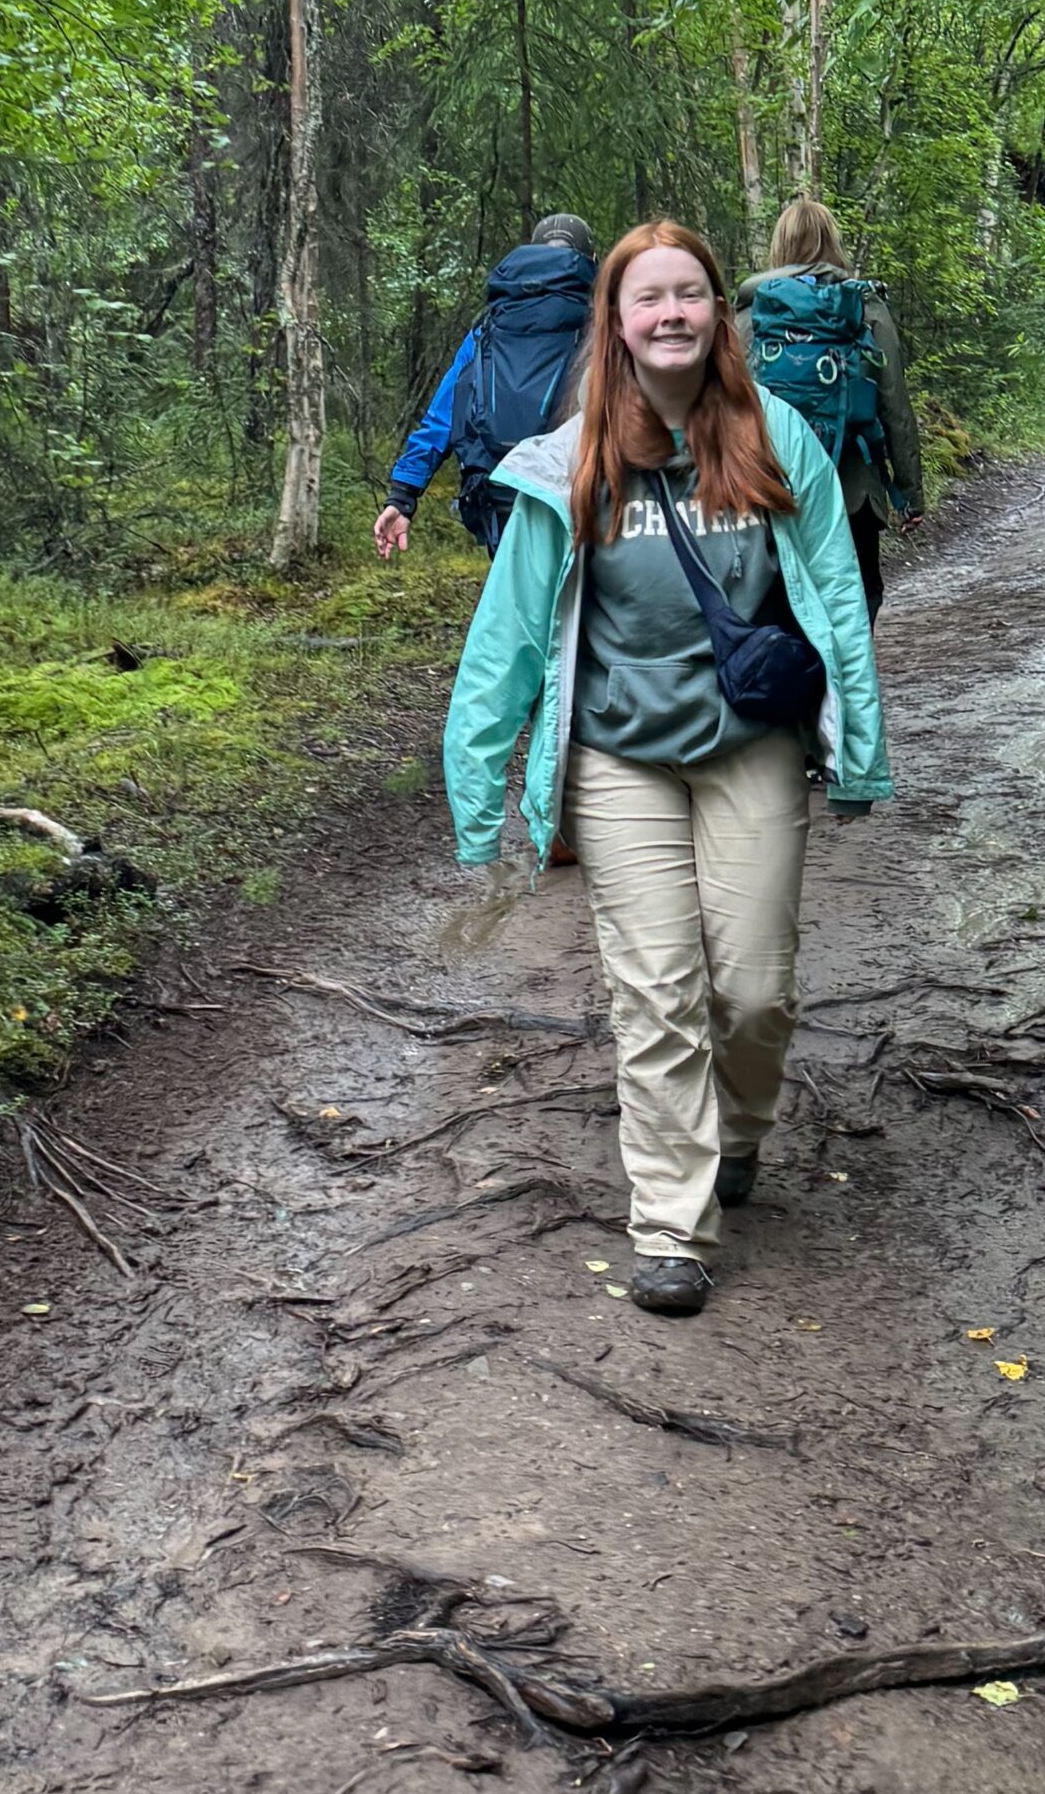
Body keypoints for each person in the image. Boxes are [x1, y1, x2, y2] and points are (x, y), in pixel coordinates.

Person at [443, 220, 891, 1317]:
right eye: (650, 299)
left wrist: (861, 749)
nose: (673, 314)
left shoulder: (777, 437)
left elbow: (837, 597)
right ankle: (670, 1225)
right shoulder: (573, 459)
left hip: (753, 745)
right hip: (617, 756)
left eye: (691, 293)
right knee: (657, 991)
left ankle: (738, 1133)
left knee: (753, 987)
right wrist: (478, 782)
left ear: (718, 313)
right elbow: (507, 632)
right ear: (618, 320)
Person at [738, 197, 924, 617]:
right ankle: (848, 681)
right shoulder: (863, 306)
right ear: (832, 242)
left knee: (779, 607)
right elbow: (893, 402)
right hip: (852, 487)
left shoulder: (750, 313)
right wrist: (909, 493)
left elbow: (722, 409)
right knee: (856, 602)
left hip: (771, 486)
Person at [373, 215, 600, 557]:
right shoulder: (604, 321)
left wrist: (403, 496)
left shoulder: (490, 326)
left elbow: (443, 415)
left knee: (517, 604)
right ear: (592, 260)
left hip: (502, 494)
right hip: (580, 495)